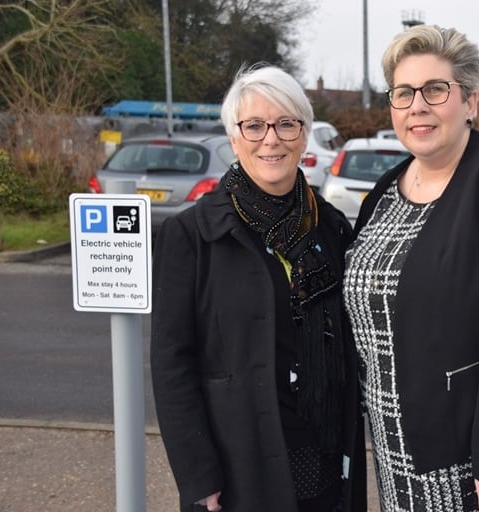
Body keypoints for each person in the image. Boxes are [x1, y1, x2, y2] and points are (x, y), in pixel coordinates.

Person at [343, 25, 479, 512]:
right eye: (403, 93)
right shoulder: (385, 189)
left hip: (477, 461)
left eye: (435, 90)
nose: (417, 105)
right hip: (400, 449)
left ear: (470, 101)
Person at [150, 64, 366, 512]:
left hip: (326, 464)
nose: (271, 139)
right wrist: (197, 475)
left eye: (286, 123)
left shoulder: (331, 228)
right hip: (238, 471)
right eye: (255, 125)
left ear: (304, 136)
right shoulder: (191, 236)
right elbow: (172, 365)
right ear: (234, 138)